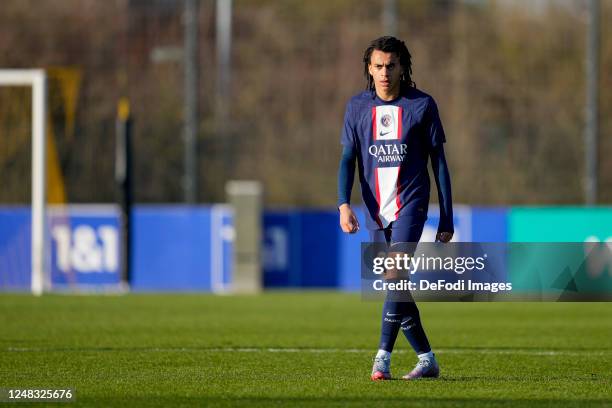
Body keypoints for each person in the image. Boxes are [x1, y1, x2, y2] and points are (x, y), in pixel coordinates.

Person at [337, 36, 454, 380]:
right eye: (378, 66)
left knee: (393, 275)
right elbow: (347, 159)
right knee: (397, 286)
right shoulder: (357, 107)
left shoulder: (422, 105)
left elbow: (440, 164)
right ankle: (427, 359)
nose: (384, 72)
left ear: (403, 67)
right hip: (375, 210)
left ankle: (381, 359)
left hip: (412, 204)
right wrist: (344, 204)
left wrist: (445, 216)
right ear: (369, 70)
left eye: (391, 65)